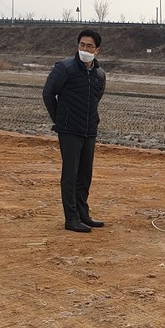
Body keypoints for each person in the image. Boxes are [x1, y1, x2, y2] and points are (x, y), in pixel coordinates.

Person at [43, 29, 106, 232]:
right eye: (82, 45)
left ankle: (83, 214)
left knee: (85, 174)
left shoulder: (99, 74)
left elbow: (96, 98)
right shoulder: (65, 68)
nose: (84, 49)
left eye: (89, 46)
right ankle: (71, 218)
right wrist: (60, 121)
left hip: (89, 130)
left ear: (97, 50)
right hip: (69, 130)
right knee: (70, 174)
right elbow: (48, 93)